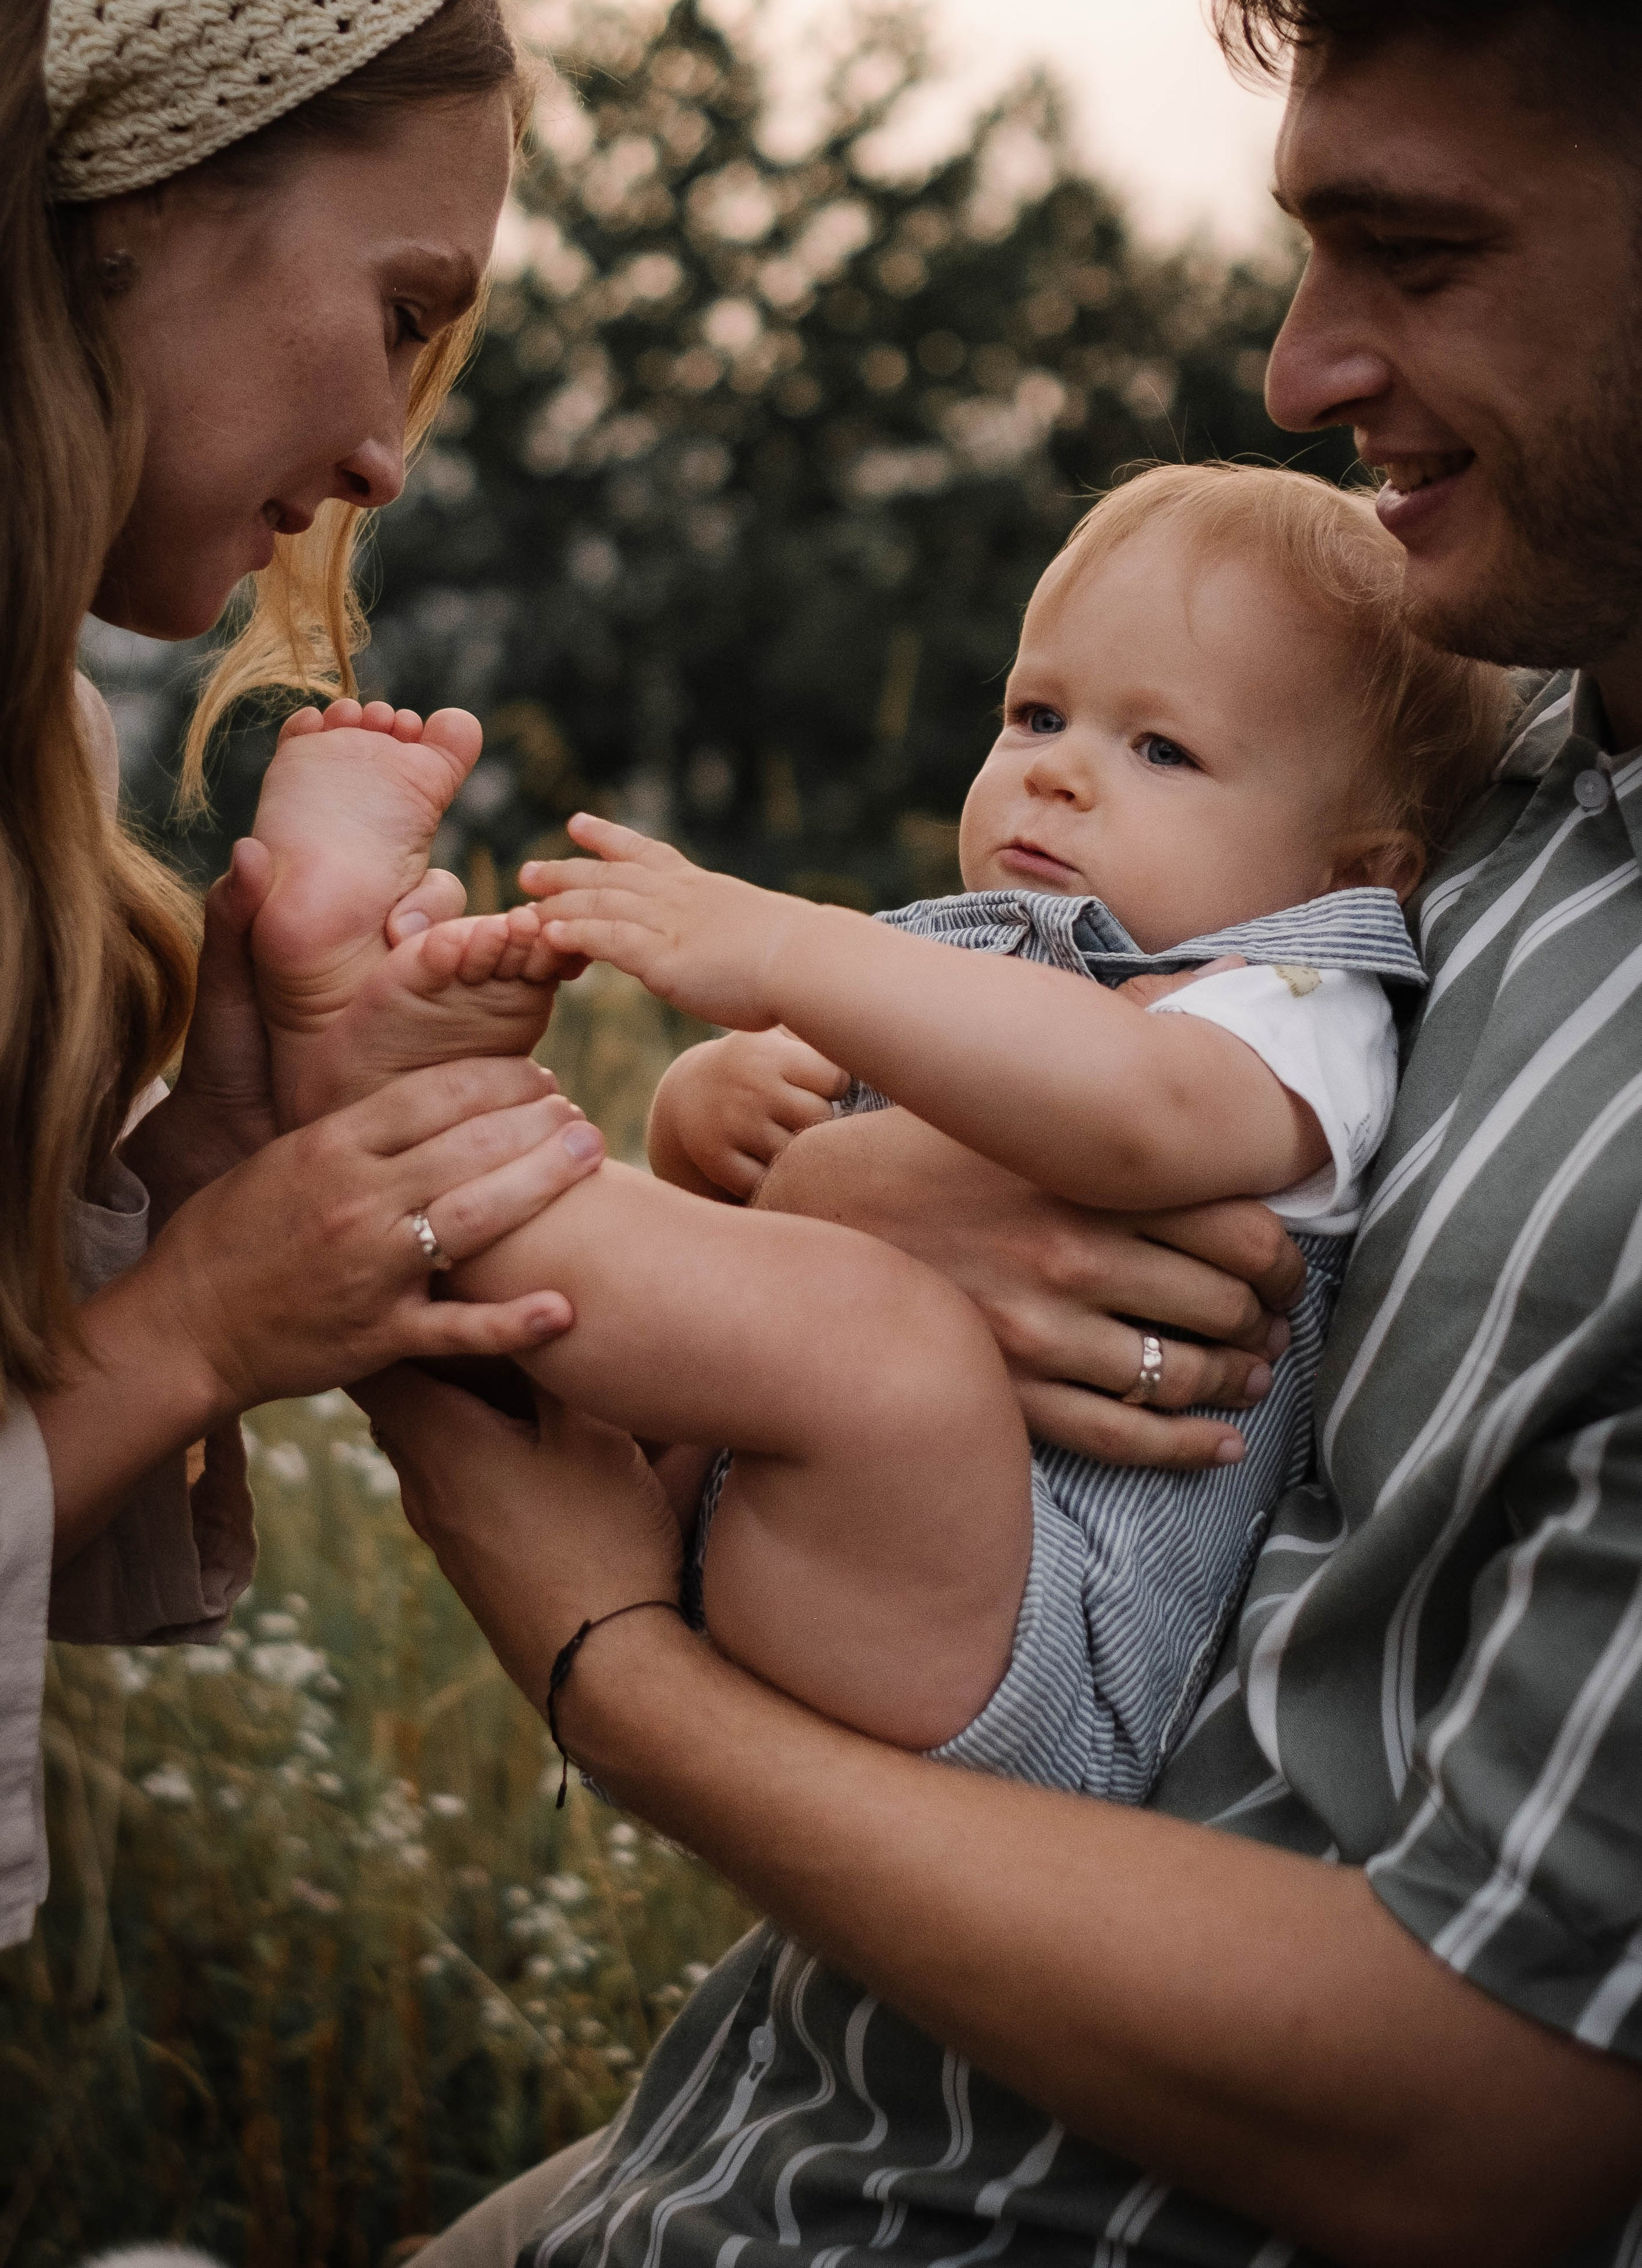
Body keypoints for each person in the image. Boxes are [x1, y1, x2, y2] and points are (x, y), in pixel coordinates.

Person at [386, 0, 1642, 2261]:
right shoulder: (1489, 781)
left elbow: (1479, 2119)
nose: (1307, 371)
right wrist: (849, 1174)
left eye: (1419, 252)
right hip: (710, 2166)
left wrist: (604, 1656)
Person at [242, 462, 1505, 1797]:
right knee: (634, 1311)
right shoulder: (961, 964)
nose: (1059, 774)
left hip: (1040, 1659)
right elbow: (764, 1172)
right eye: (1035, 713)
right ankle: (407, 1082)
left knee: (874, 1339)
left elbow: (1140, 1114)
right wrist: (704, 1111)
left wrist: (788, 946)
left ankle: (392, 1130)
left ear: (1355, 870)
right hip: (722, 1522)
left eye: (1160, 749)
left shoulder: (1295, 1001)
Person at [0, 0, 614, 1954]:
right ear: (130, 205)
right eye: (403, 306)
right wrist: (188, 1332)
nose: (385, 457)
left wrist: (219, 1162)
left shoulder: (39, 760)